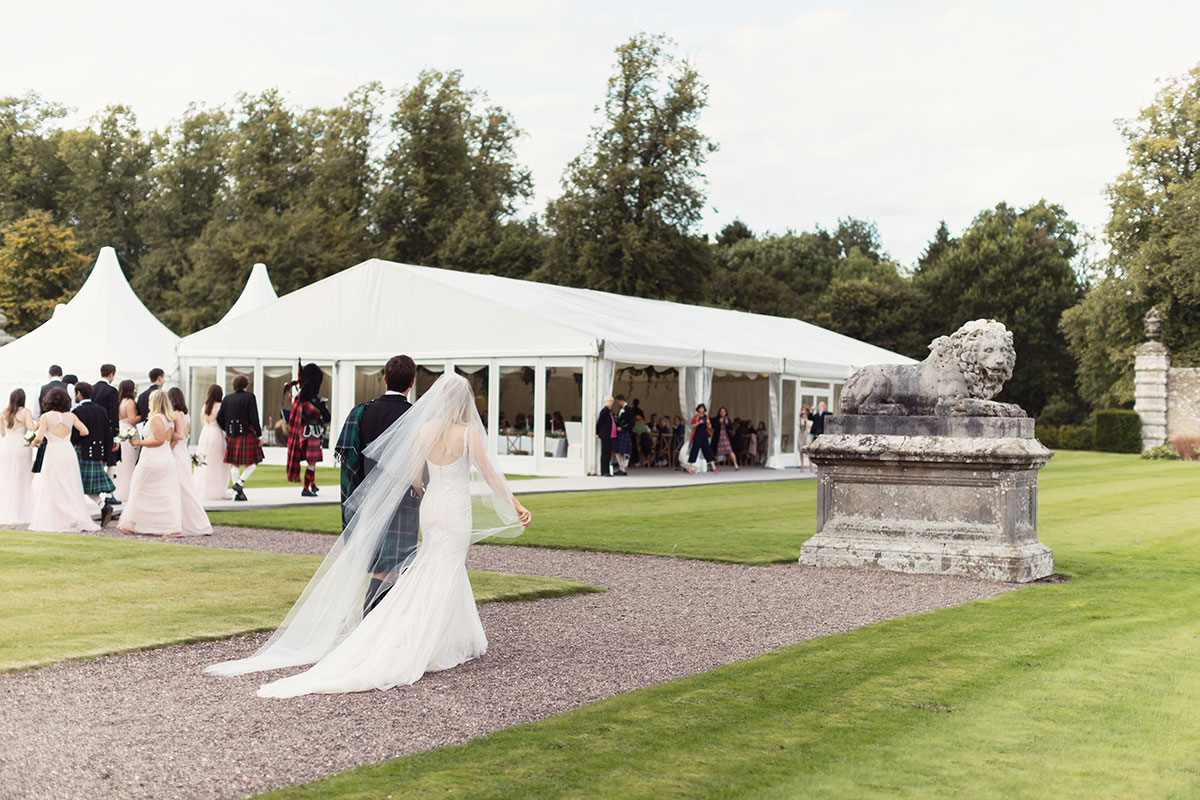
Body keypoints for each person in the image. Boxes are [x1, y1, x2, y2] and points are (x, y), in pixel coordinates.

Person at [206, 372, 533, 697]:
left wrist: (425, 499)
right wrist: (515, 504)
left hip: (432, 508)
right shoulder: (468, 433)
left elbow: (415, 478)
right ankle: (425, 638)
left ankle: (454, 633)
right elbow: (489, 476)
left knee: (437, 566)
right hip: (455, 509)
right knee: (445, 568)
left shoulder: (423, 430)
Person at [356, 355, 421, 613]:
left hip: (370, 496)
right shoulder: (415, 414)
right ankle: (377, 624)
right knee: (394, 567)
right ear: (412, 382)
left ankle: (372, 622)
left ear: (385, 378)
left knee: (381, 566)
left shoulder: (364, 411)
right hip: (405, 498)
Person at [28, 388, 100, 533]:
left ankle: (63, 517)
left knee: (54, 484)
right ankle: (75, 516)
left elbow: (39, 438)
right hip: (68, 451)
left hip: (54, 451)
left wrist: (31, 443)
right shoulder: (71, 416)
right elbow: (85, 431)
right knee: (70, 484)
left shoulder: (46, 417)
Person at [118, 389, 182, 537]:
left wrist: (137, 442)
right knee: (161, 491)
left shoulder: (156, 419)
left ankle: (134, 523)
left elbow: (159, 440)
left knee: (141, 488)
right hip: (164, 457)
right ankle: (134, 523)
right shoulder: (168, 418)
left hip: (154, 459)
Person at [71, 382, 117, 526]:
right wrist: (105, 455)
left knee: (77, 484)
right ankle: (103, 506)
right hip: (98, 452)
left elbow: (75, 436)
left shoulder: (77, 412)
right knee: (86, 486)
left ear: (79, 393)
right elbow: (106, 434)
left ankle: (78, 514)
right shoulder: (102, 410)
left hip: (82, 452)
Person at [168, 388, 212, 536]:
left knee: (181, 488)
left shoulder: (176, 414)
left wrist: (167, 449)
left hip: (176, 452)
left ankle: (191, 522)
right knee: (183, 487)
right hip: (183, 452)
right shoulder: (186, 414)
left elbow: (178, 436)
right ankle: (180, 521)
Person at [286, 364, 332, 498]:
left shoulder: (299, 399)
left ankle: (312, 484)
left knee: (312, 462)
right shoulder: (313, 402)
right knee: (312, 462)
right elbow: (327, 418)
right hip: (311, 433)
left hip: (305, 432)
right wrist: (322, 406)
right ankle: (306, 488)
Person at [218, 374, 263, 502]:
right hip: (246, 434)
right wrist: (259, 435)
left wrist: (227, 429)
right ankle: (239, 484)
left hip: (232, 436)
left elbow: (219, 418)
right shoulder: (250, 397)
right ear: (246, 385)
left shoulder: (227, 399)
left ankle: (239, 493)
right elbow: (254, 418)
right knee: (254, 462)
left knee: (235, 464)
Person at [0, 389, 35, 525]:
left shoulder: (4, 412)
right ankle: (19, 510)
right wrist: (43, 422)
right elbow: (31, 428)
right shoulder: (25, 412)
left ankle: (5, 509)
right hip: (21, 445)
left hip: (6, 445)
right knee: (21, 477)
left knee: (6, 477)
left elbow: (3, 433)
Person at [193, 384, 228, 500]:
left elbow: (202, 423)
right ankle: (218, 490)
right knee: (218, 463)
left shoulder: (205, 407)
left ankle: (204, 488)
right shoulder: (220, 406)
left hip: (205, 434)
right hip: (216, 434)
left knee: (204, 462)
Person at [92, 364, 121, 487]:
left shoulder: (91, 389)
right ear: (111, 374)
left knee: (96, 459)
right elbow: (114, 414)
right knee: (111, 461)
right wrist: (116, 436)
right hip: (107, 432)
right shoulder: (112, 391)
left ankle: (96, 488)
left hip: (93, 431)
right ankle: (109, 493)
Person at [112, 380, 139, 503]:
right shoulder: (129, 403)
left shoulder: (118, 402)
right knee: (130, 463)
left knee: (122, 464)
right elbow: (132, 419)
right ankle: (128, 492)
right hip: (129, 432)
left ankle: (119, 489)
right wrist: (143, 416)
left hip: (121, 431)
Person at [686, 403, 718, 475]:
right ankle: (689, 467)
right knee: (695, 450)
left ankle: (713, 466)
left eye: (702, 408)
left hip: (704, 435)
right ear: (698, 409)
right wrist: (698, 423)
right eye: (700, 408)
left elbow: (709, 427)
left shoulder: (706, 417)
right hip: (697, 435)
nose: (701, 410)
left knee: (707, 450)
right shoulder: (695, 417)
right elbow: (692, 426)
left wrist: (709, 423)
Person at [595, 396, 617, 477]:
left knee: (608, 453)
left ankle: (607, 470)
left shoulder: (610, 412)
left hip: (610, 435)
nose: (609, 402)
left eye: (611, 401)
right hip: (605, 435)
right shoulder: (604, 411)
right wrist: (597, 432)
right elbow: (599, 422)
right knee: (605, 453)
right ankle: (604, 471)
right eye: (608, 401)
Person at [713, 406, 738, 470]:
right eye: (721, 411)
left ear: (726, 412)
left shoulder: (728, 419)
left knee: (730, 450)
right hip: (718, 437)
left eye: (723, 411)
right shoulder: (716, 419)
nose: (722, 412)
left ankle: (735, 464)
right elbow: (714, 427)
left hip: (725, 437)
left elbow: (730, 428)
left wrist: (727, 424)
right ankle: (713, 466)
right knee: (716, 451)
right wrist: (719, 422)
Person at [613, 395, 633, 474]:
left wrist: (623, 428)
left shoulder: (629, 409)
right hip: (619, 433)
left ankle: (624, 467)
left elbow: (631, 423)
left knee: (625, 451)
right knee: (617, 450)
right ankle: (621, 467)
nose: (617, 403)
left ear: (621, 400)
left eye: (617, 402)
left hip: (625, 432)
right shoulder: (620, 409)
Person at [799, 405, 814, 472]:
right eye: (802, 410)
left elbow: (810, 425)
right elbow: (799, 425)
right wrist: (800, 417)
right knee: (801, 450)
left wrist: (806, 419)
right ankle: (802, 465)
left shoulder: (809, 417)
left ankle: (811, 465)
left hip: (807, 435)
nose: (803, 412)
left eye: (804, 410)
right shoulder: (800, 418)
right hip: (801, 435)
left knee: (808, 450)